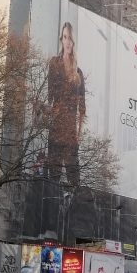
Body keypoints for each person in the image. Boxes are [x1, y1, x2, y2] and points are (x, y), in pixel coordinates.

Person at [45, 22, 86, 185]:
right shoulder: (54, 63)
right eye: (65, 37)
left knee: (74, 178)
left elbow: (82, 107)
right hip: (56, 126)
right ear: (61, 40)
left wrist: (79, 133)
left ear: (74, 42)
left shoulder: (79, 73)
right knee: (53, 176)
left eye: (70, 38)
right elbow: (50, 96)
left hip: (71, 131)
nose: (68, 41)